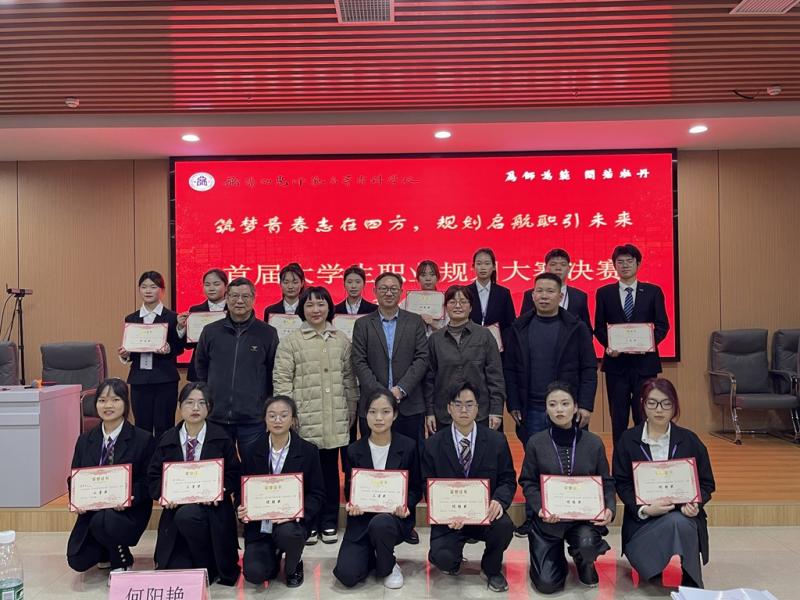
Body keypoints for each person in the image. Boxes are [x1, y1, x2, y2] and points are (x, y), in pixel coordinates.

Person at [504, 272, 598, 537]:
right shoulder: (519, 327)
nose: (543, 296)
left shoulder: (576, 327)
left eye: (549, 291)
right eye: (539, 291)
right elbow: (510, 369)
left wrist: (585, 404)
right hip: (531, 407)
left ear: (560, 295)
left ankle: (576, 515)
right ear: (532, 295)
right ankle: (535, 516)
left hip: (567, 408)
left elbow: (589, 369)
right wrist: (513, 402)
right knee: (534, 464)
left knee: (571, 461)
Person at [273, 286, 358, 545]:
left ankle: (329, 520)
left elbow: (349, 380)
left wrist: (351, 409)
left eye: (321, 304)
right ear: (302, 309)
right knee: (307, 473)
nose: (316, 310)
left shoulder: (341, 340)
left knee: (331, 472)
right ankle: (308, 521)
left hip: (335, 417)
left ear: (329, 307)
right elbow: (282, 381)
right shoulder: (291, 342)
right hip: (304, 419)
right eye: (309, 305)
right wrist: (288, 415)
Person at [613, 378, 715, 589]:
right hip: (643, 520)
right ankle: (653, 565)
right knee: (675, 524)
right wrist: (644, 509)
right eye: (652, 403)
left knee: (680, 521)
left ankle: (691, 581)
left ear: (675, 406)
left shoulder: (690, 440)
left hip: (682, 516)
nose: (659, 409)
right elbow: (621, 483)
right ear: (643, 405)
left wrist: (695, 503)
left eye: (666, 403)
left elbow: (706, 483)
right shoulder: (628, 440)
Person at [518, 382, 615, 593]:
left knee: (587, 543)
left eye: (565, 403)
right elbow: (528, 481)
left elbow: (606, 481)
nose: (559, 409)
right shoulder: (536, 442)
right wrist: (540, 508)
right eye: (552, 404)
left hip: (583, 521)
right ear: (546, 409)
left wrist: (609, 508)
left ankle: (583, 560)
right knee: (547, 584)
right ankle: (556, 559)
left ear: (575, 407)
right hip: (549, 523)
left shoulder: (593, 443)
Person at [422, 382, 517, 593]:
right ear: (449, 408)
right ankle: (449, 554)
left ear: (477, 408)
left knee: (504, 526)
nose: (463, 410)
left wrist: (499, 500)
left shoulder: (496, 441)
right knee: (444, 559)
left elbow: (508, 479)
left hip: (484, 514)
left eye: (469, 404)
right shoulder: (432, 445)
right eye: (457, 404)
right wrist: (445, 513)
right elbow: (427, 486)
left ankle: (491, 568)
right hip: (450, 519)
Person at [147, 382, 241, 585]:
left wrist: (220, 490)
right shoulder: (167, 439)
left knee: (188, 516)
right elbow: (153, 476)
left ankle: (208, 563)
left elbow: (234, 473)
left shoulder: (221, 438)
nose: (195, 408)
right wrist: (164, 495)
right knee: (175, 571)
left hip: (212, 510)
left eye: (202, 403)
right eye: (189, 402)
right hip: (175, 508)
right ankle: (197, 560)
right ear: (180, 406)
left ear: (209, 407)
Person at [333, 390, 422, 589]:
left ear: (395, 414)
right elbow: (350, 488)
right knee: (347, 575)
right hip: (362, 520)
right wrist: (352, 504)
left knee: (381, 523)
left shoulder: (408, 447)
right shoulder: (354, 450)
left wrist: (405, 504)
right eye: (373, 412)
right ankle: (373, 555)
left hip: (393, 519)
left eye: (385, 412)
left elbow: (416, 488)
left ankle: (388, 566)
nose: (379, 418)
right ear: (366, 415)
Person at [66, 378, 155, 579]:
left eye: (115, 400)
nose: (108, 406)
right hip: (93, 510)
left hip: (128, 511)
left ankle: (121, 560)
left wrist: (130, 496)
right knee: (78, 560)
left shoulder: (142, 439)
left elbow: (149, 482)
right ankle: (107, 549)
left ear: (125, 403)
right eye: (102, 400)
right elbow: (76, 477)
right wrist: (76, 499)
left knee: (105, 520)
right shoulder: (85, 440)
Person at [237, 396, 326, 588]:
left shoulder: (308, 451)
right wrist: (241, 509)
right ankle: (273, 556)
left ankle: (294, 565)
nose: (277, 420)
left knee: (289, 534)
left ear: (293, 419)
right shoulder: (251, 450)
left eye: (283, 415)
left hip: (291, 524)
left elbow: (317, 494)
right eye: (272, 415)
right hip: (260, 525)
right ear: (265, 419)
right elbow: (241, 490)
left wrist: (298, 513)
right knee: (254, 574)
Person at [194, 276, 279, 462]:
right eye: (234, 296)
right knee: (219, 468)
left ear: (253, 299)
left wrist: (265, 405)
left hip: (253, 418)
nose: (239, 301)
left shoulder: (267, 333)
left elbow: (274, 372)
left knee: (254, 468)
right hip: (216, 416)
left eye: (245, 296)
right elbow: (200, 367)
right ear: (226, 297)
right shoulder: (210, 331)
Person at [594, 244, 670, 442]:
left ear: (638, 264)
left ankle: (642, 455)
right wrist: (609, 346)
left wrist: (648, 344)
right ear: (614, 265)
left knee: (643, 414)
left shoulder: (653, 292)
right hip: (616, 365)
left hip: (645, 365)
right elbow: (599, 327)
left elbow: (662, 325)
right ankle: (620, 458)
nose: (625, 265)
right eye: (620, 262)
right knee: (618, 417)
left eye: (629, 261)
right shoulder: (604, 293)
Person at [351, 271, 429, 443]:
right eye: (383, 288)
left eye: (393, 289)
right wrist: (381, 394)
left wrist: (401, 389)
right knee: (373, 457)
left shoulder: (415, 321)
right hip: (372, 406)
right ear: (374, 291)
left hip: (409, 406)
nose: (388, 293)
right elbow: (359, 361)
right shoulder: (363, 324)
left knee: (411, 456)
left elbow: (422, 358)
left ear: (401, 292)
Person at [424, 284, 505, 435]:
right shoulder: (435, 339)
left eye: (463, 301)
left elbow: (495, 376)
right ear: (445, 307)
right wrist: (429, 412)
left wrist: (496, 410)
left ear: (471, 307)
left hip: (480, 413)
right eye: (452, 302)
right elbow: (429, 379)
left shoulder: (484, 335)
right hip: (444, 413)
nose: (458, 306)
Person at [118, 270, 184, 439]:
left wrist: (169, 348)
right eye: (144, 287)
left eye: (153, 287)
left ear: (162, 291)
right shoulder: (131, 318)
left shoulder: (173, 318)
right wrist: (125, 354)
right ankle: (144, 456)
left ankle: (163, 455)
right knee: (141, 427)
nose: (148, 291)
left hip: (165, 378)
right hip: (139, 379)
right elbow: (130, 350)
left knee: (165, 425)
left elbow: (179, 347)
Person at [519, 249, 592, 329]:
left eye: (563, 264)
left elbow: (586, 328)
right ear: (545, 267)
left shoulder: (579, 296)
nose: (558, 268)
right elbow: (522, 325)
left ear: (569, 268)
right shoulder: (530, 295)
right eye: (553, 264)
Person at [176, 268, 228, 382]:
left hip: (227, 368)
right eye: (207, 284)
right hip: (200, 369)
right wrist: (181, 327)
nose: (211, 288)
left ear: (226, 286)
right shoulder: (195, 310)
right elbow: (188, 345)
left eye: (216, 284)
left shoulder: (233, 310)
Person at [467, 247, 516, 332]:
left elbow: (510, 324)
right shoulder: (465, 292)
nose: (483, 267)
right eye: (479, 263)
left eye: (487, 263)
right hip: (469, 338)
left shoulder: (503, 293)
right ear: (473, 266)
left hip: (496, 339)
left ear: (494, 267)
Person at [404, 260, 445, 335]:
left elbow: (451, 330)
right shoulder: (409, 300)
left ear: (438, 277)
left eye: (432, 275)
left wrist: (433, 323)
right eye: (423, 275)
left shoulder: (445, 300)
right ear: (418, 278)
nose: (428, 278)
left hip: (439, 340)